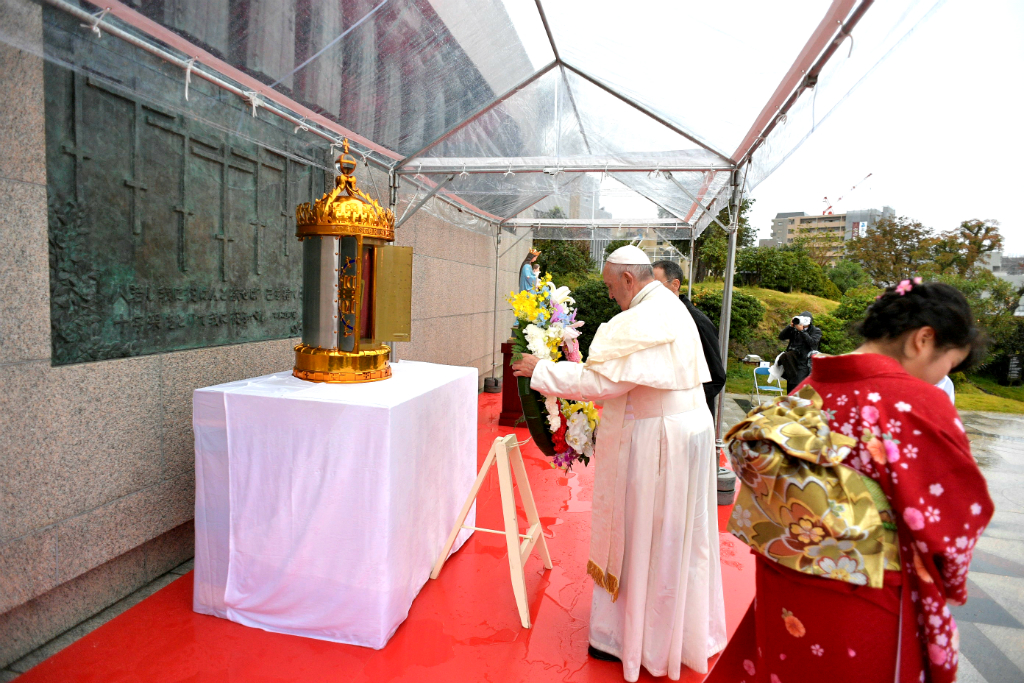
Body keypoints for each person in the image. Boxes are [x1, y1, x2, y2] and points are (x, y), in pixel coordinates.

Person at [725, 279, 994, 683]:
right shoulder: (915, 404)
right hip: (867, 596)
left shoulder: (806, 390)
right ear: (923, 339)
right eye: (948, 364)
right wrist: (950, 580)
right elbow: (953, 524)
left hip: (786, 582)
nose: (942, 377)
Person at [512, 245, 726, 681]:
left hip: (658, 440)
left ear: (629, 279)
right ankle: (669, 634)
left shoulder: (643, 319)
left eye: (611, 287)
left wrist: (541, 369)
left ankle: (637, 640)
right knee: (676, 536)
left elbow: (602, 383)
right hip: (685, 431)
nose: (610, 296)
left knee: (646, 535)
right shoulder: (669, 304)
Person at [652, 260, 726, 418]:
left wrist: (682, 401)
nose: (650, 293)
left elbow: (717, 377)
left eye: (655, 286)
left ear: (675, 284)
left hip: (691, 416)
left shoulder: (696, 321)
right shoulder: (658, 316)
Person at [777, 310, 821, 392]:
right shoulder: (794, 329)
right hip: (792, 360)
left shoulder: (815, 331)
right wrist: (790, 326)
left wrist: (802, 331)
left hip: (804, 361)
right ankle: (790, 402)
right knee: (790, 383)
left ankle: (799, 403)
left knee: (798, 384)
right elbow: (781, 337)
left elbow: (812, 343)